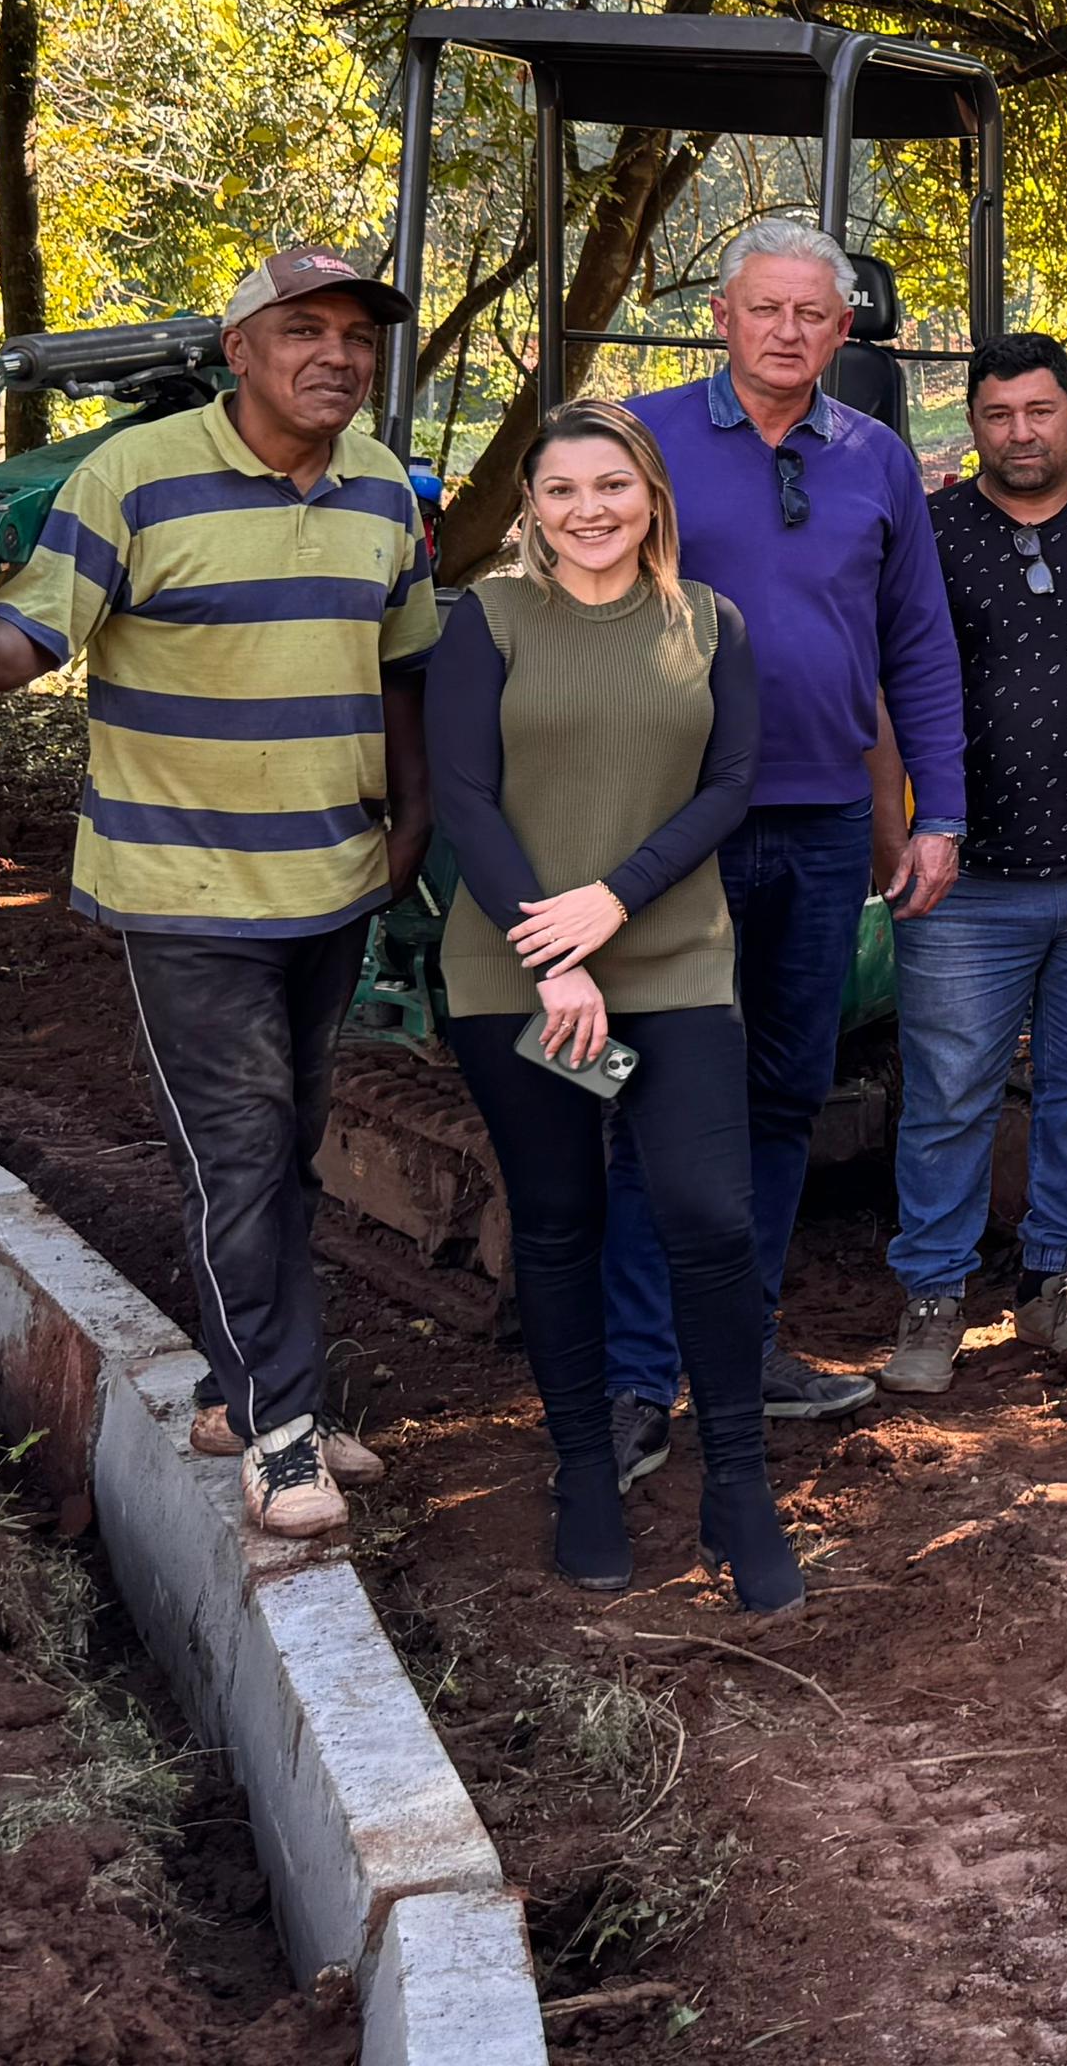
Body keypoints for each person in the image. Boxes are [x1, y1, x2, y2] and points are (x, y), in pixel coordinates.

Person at [0, 244, 436, 1540]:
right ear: (239, 351)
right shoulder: (134, 475)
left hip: (331, 881)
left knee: (285, 1151)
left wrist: (412, 822)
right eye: (304, 330)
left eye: (356, 336)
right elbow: (25, 640)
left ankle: (244, 1398)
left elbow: (403, 665)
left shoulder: (381, 488)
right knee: (236, 1156)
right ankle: (282, 1435)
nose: (336, 355)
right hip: (185, 889)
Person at [425, 404, 802, 1611]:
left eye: (611, 485)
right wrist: (552, 954)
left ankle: (737, 1484)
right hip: (517, 972)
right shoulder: (488, 621)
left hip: (672, 959)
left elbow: (730, 784)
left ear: (651, 497)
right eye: (561, 490)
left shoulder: (710, 623)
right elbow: (464, 797)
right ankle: (584, 1468)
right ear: (532, 509)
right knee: (559, 1219)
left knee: (709, 1217)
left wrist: (615, 901)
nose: (588, 510)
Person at [612, 220, 968, 1484]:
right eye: (764, 309)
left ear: (842, 330)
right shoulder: (642, 442)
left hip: (821, 827)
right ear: (721, 316)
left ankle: (741, 1348)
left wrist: (938, 812)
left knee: (779, 1095)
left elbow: (916, 641)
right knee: (656, 1096)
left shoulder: (875, 459)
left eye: (812, 314)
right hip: (672, 823)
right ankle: (635, 1377)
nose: (787, 331)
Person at [878, 330, 1067, 1395]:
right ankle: (932, 1296)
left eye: (1040, 411)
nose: (1020, 434)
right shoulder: (928, 531)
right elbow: (882, 685)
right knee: (949, 1096)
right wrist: (896, 836)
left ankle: (1054, 1284)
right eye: (997, 416)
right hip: (965, 881)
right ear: (973, 425)